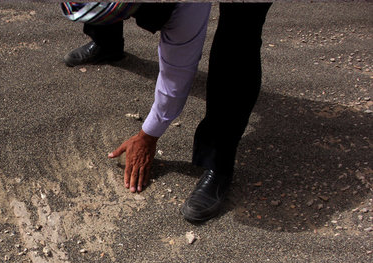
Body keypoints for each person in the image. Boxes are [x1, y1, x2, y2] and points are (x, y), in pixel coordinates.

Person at [66, 3, 272, 222]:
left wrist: (149, 134)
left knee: (239, 35)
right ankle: (107, 41)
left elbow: (176, 74)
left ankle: (218, 163)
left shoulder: (185, 8)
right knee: (100, 7)